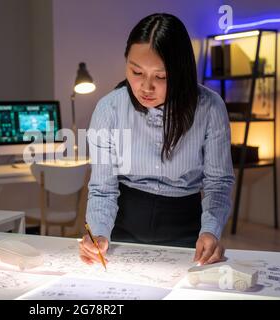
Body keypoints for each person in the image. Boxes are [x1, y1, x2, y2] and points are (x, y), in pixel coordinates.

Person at [79, 13, 235, 266]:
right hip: (124, 225)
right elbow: (103, 188)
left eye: (160, 77)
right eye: (136, 71)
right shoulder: (110, 109)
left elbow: (218, 183)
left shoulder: (209, 107)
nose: (145, 87)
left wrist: (210, 231)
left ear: (181, 71)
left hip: (187, 227)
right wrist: (98, 233)